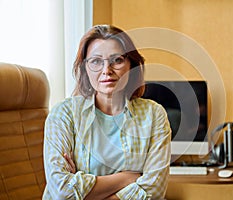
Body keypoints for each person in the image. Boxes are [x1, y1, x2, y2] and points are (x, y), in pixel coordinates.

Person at [43, 25, 171, 200]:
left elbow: (154, 191)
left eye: (117, 60)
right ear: (84, 68)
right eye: (96, 61)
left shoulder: (154, 114)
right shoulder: (64, 114)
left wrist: (84, 191)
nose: (106, 70)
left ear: (131, 65)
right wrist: (127, 178)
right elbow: (62, 192)